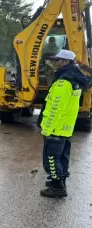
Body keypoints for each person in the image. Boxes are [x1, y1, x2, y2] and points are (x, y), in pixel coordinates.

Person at [39, 49, 90, 197]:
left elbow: (55, 107)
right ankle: (60, 180)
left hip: (56, 127)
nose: (55, 62)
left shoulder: (63, 82)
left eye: (58, 60)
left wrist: (47, 128)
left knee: (51, 158)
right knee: (62, 156)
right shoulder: (76, 78)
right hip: (66, 126)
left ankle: (57, 187)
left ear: (66, 62)